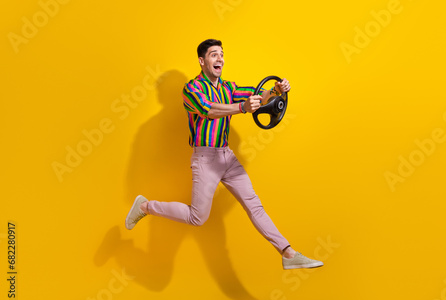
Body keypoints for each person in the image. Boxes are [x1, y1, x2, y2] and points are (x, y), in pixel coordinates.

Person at [125, 39, 323, 270]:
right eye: (213, 55)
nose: (219, 59)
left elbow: (259, 95)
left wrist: (278, 89)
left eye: (221, 54)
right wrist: (242, 108)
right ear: (202, 61)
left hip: (226, 157)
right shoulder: (191, 89)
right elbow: (209, 109)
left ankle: (288, 254)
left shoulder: (229, 88)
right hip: (205, 159)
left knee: (254, 205)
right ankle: (146, 207)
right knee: (197, 218)